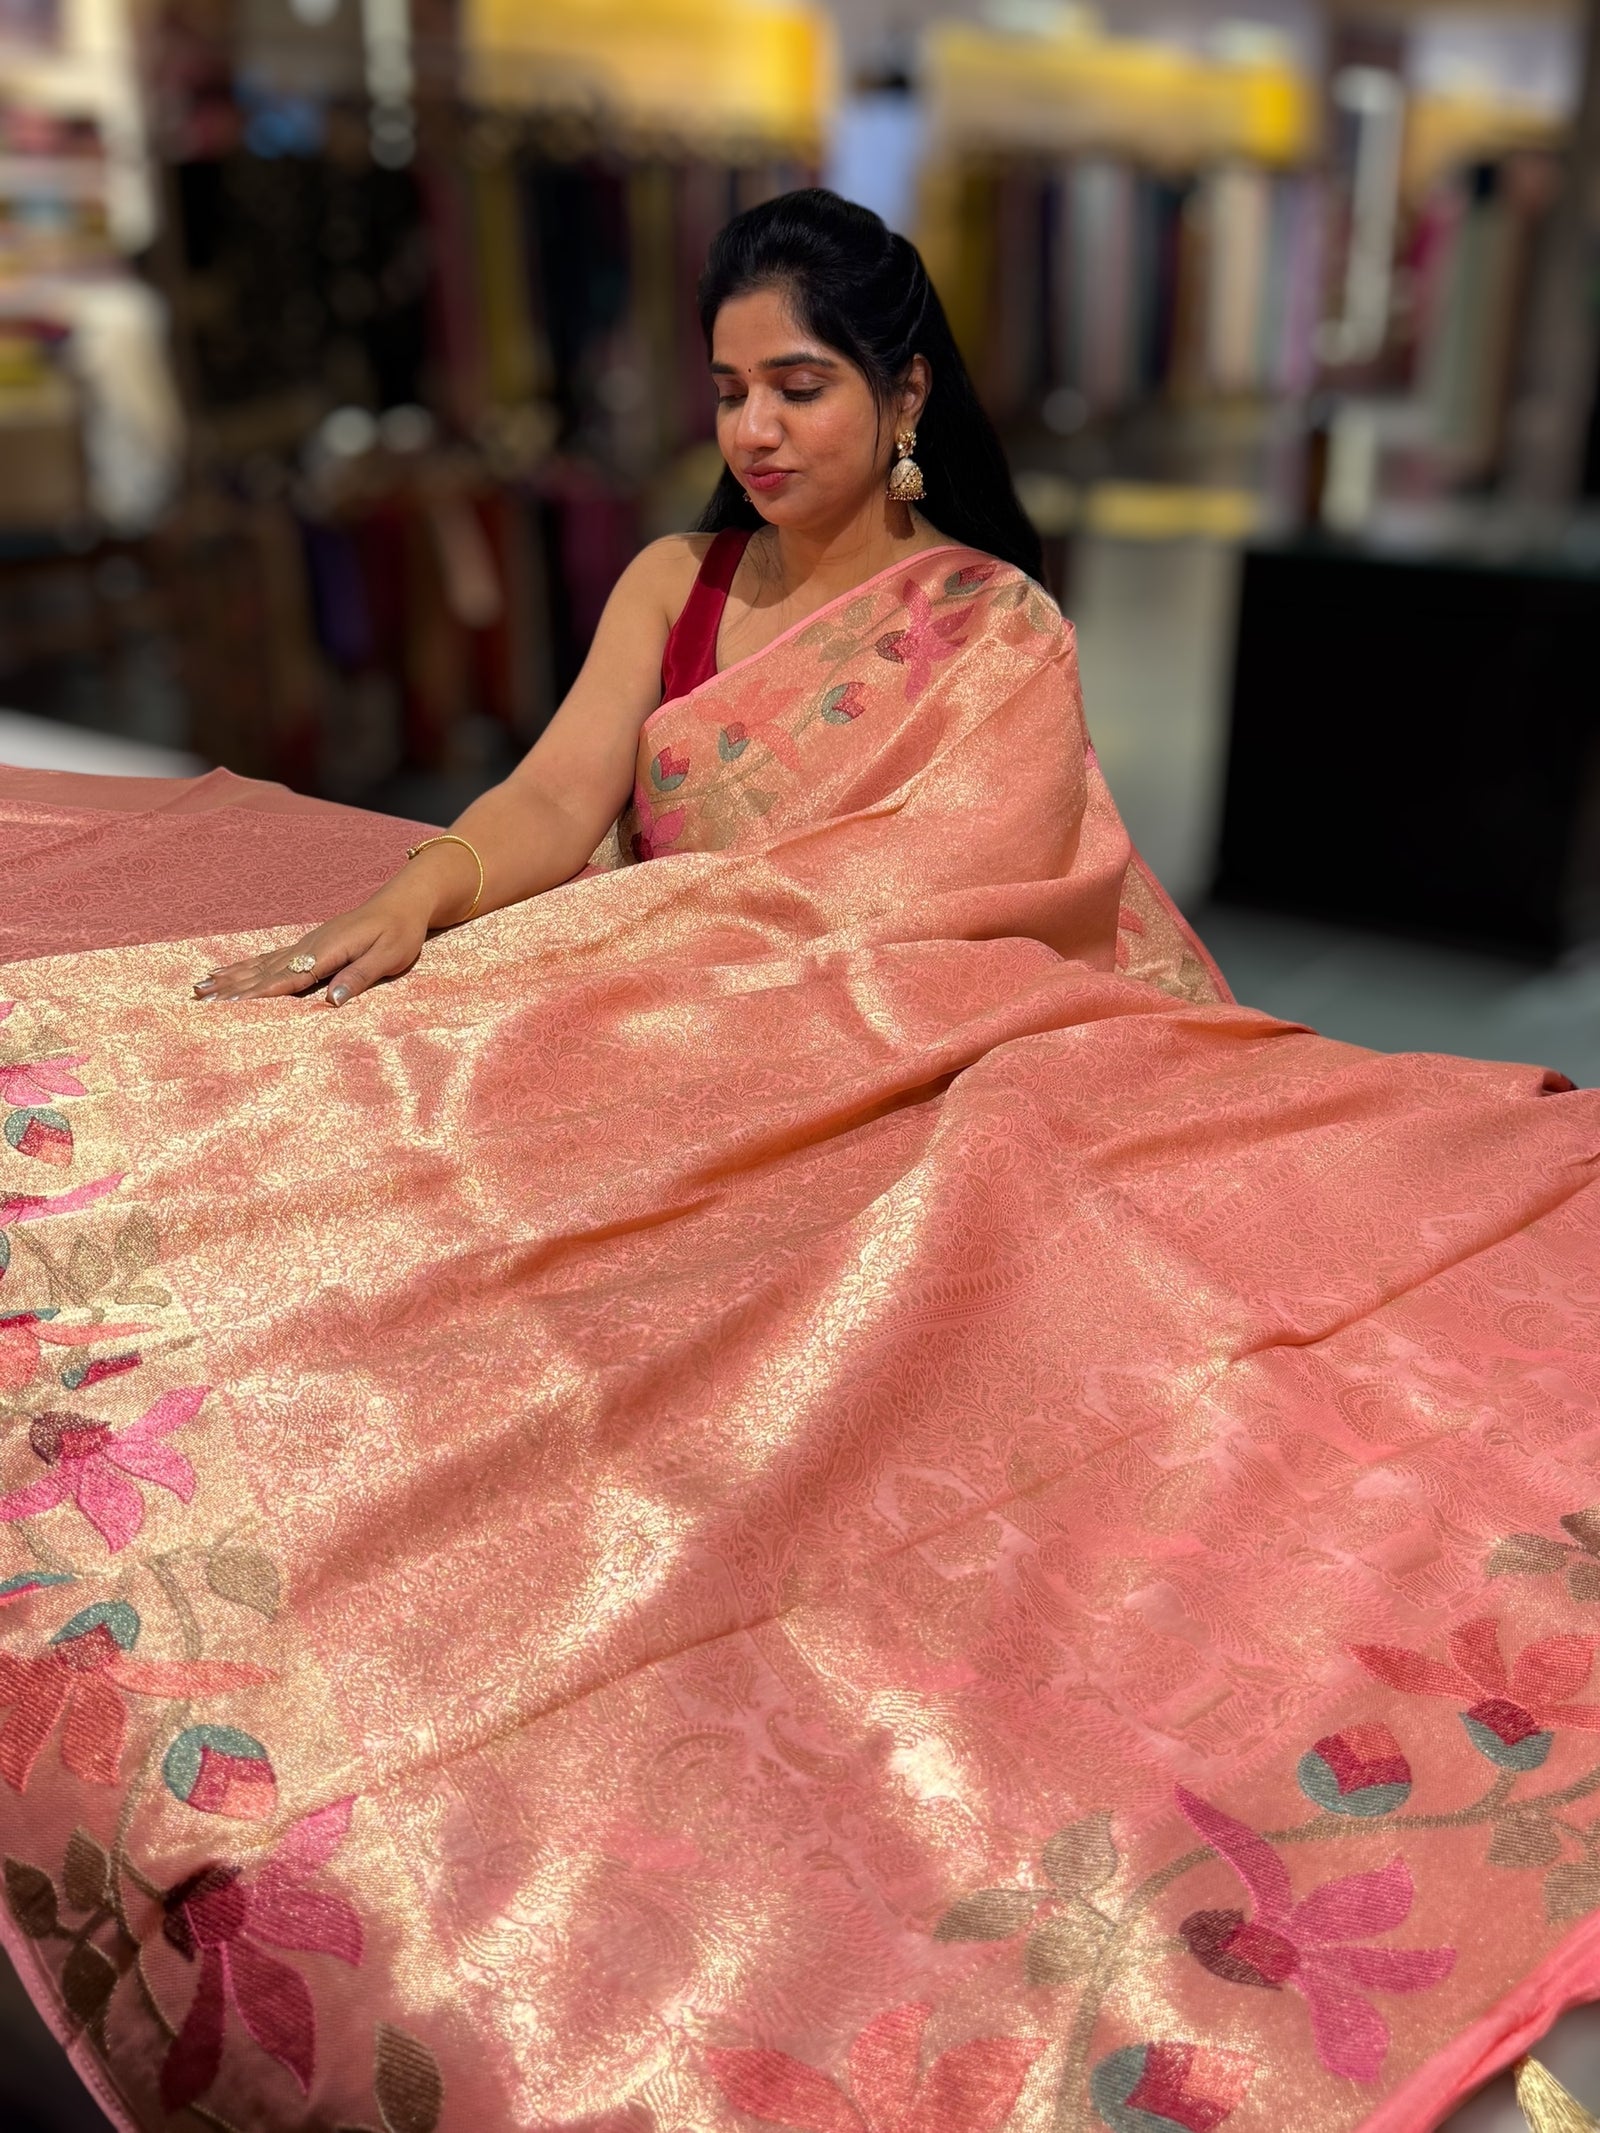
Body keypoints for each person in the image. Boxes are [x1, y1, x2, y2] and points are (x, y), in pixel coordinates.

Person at [0, 190, 1596, 2133]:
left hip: (890, 1060)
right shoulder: (669, 579)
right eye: (734, 390)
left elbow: (952, 914)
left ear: (903, 391)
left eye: (804, 387)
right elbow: (555, 796)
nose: (758, 431)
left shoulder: (987, 628)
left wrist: (725, 964)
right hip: (668, 1044)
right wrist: (431, 888)